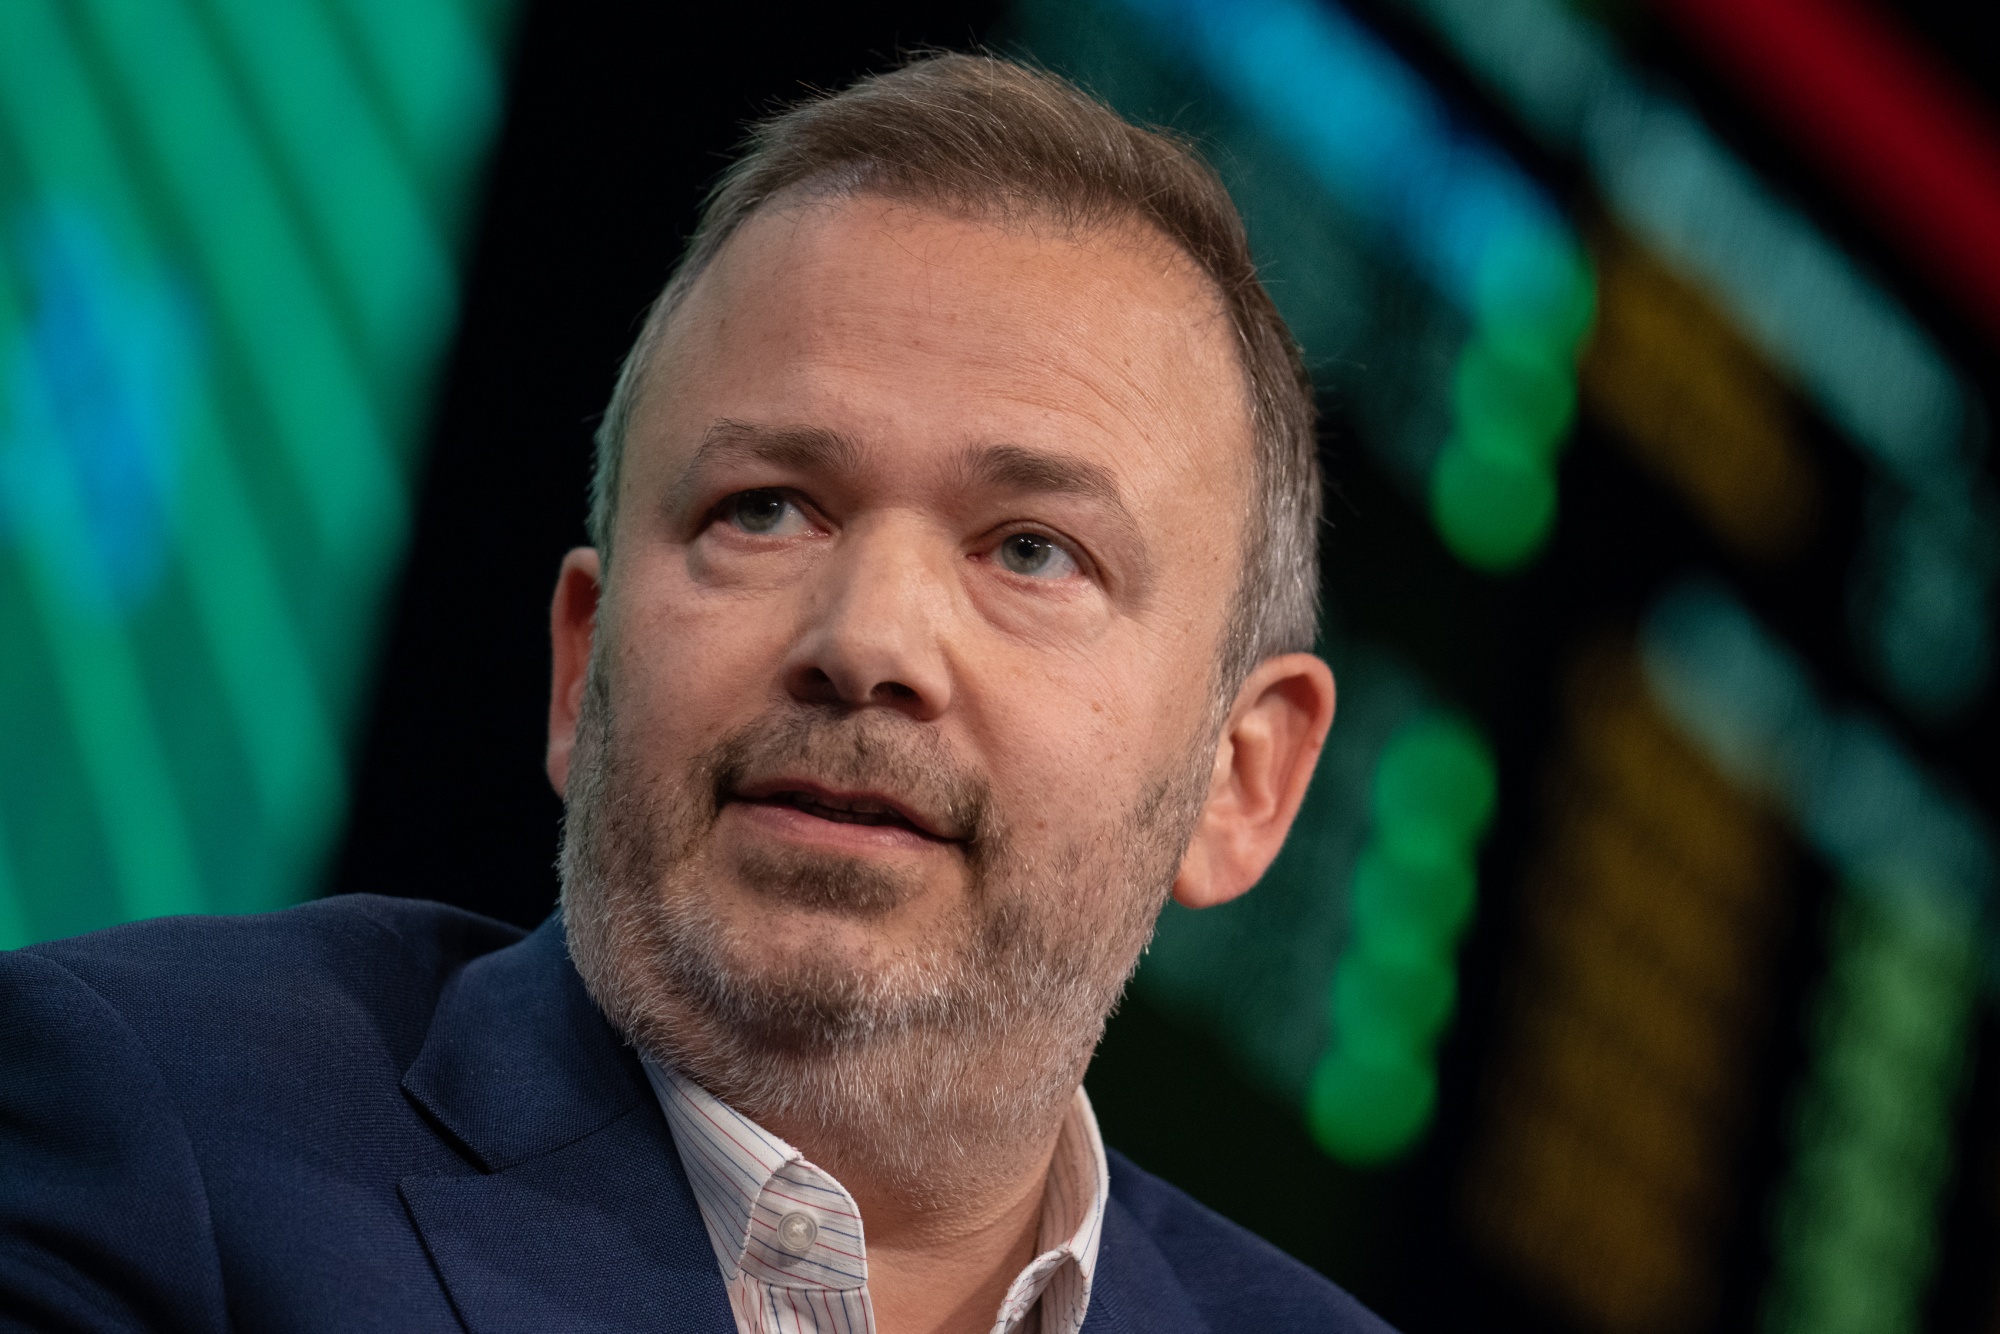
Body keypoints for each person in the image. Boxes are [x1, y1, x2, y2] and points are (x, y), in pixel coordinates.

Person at [0, 53, 1387, 1334]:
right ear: (584, 662)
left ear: (1244, 775)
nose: (868, 638)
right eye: (765, 509)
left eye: (1033, 548)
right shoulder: (142, 1131)